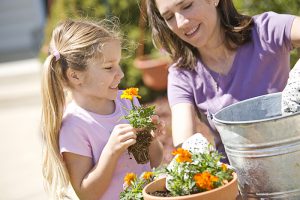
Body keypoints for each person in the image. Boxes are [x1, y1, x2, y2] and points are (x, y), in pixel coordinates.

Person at [146, 0, 300, 162]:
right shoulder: (182, 74)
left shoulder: (266, 31)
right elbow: (184, 143)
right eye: (169, 17)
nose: (181, 23)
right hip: (237, 178)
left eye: (186, 6)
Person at [41, 19, 164, 200]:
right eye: (109, 67)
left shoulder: (127, 102)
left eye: (119, 64)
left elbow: (155, 160)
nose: (121, 74)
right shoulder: (74, 126)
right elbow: (86, 194)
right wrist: (111, 152)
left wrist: (150, 137)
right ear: (75, 76)